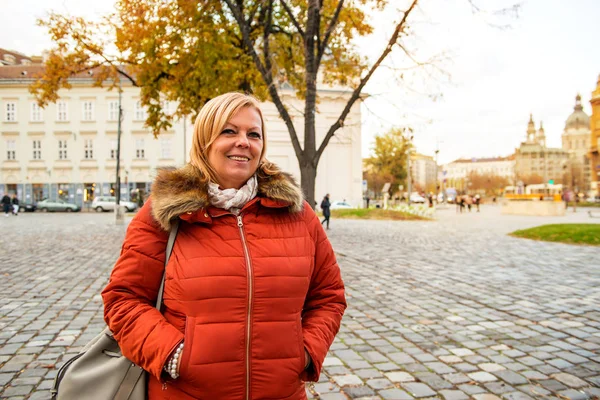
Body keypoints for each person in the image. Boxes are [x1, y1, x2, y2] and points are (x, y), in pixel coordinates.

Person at [102, 92, 346, 400]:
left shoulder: (298, 214)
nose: (243, 141)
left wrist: (307, 352)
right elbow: (123, 300)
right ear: (205, 140)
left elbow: (329, 296)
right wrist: (174, 356)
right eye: (229, 131)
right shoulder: (165, 213)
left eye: (253, 134)